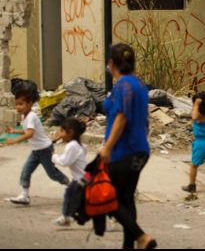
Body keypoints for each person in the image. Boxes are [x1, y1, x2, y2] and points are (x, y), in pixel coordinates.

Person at [100, 43, 157, 250]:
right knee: (125, 198)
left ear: (112, 63)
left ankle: (141, 236)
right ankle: (129, 245)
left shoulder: (124, 85)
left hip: (124, 151)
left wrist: (107, 147)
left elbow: (122, 117)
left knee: (105, 197)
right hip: (140, 150)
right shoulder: (139, 84)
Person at [2, 86, 69, 206]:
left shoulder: (32, 116)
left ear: (30, 104)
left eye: (21, 104)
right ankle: (24, 195)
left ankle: (71, 186)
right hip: (36, 151)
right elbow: (27, 130)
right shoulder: (25, 116)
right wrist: (14, 131)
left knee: (52, 174)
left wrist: (15, 141)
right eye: (17, 104)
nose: (18, 107)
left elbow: (30, 134)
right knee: (25, 171)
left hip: (45, 150)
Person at [51, 117, 88, 227]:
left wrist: (53, 157)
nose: (60, 133)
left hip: (81, 179)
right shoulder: (79, 145)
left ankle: (66, 217)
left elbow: (64, 162)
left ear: (70, 132)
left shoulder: (72, 146)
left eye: (62, 131)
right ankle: (66, 217)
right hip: (83, 177)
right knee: (70, 195)